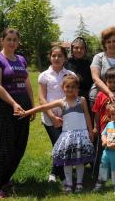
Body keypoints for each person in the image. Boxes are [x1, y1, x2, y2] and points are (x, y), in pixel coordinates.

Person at [15, 75, 95, 194]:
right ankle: (68, 184)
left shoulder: (82, 100)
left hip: (81, 135)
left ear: (77, 88)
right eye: (67, 87)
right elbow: (43, 107)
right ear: (63, 88)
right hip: (67, 136)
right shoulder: (61, 102)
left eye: (73, 87)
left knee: (80, 160)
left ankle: (79, 184)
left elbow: (87, 115)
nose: (70, 89)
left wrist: (90, 130)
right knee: (66, 161)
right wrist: (27, 112)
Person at [0, 28, 35, 198]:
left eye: (15, 40)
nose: (12, 43)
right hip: (2, 108)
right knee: (1, 147)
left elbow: (27, 83)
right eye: (9, 39)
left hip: (22, 108)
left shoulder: (21, 59)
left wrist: (32, 106)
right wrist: (13, 103)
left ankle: (5, 179)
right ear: (2, 40)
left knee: (17, 146)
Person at [38, 45, 75, 183]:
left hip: (67, 117)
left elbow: (74, 97)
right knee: (59, 143)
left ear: (65, 58)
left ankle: (57, 173)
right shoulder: (44, 76)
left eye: (60, 56)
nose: (56, 58)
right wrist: (52, 117)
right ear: (50, 57)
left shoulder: (70, 75)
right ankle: (61, 174)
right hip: (50, 117)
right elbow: (42, 98)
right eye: (54, 55)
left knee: (63, 145)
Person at [92, 68, 115, 175]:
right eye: (109, 82)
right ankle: (100, 173)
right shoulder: (100, 95)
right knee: (102, 151)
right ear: (105, 82)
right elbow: (96, 112)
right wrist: (96, 127)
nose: (112, 84)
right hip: (104, 130)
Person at [90, 27, 115, 107]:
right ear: (104, 44)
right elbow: (95, 78)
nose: (112, 44)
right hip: (98, 99)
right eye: (108, 42)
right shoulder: (98, 58)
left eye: (114, 41)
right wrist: (109, 93)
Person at [65, 37, 94, 115]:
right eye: (76, 48)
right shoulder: (66, 63)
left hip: (86, 100)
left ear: (85, 50)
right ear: (72, 49)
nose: (79, 50)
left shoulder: (90, 63)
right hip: (69, 100)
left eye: (82, 48)